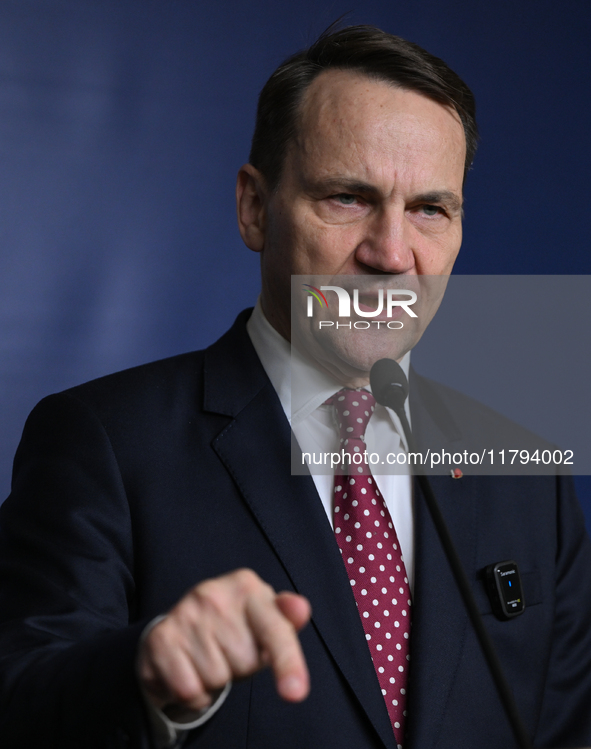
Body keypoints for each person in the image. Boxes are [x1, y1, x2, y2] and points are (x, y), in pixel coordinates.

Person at [1, 24, 591, 749]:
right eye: (347, 198)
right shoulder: (105, 443)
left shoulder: (526, 477)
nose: (392, 254)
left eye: (429, 209)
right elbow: (19, 706)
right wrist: (147, 673)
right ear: (254, 207)